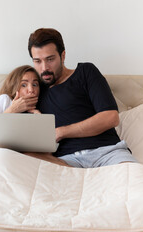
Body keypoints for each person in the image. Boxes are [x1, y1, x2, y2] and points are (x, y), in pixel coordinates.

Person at [28, 28, 137, 168]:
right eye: (37, 61)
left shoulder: (85, 72)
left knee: (137, 183)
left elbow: (110, 117)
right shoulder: (33, 90)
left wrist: (61, 132)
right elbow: (3, 135)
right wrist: (15, 108)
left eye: (50, 59)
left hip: (107, 153)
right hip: (66, 162)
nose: (44, 68)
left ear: (63, 56)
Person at [0, 65, 69, 166]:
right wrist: (13, 110)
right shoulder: (5, 100)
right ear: (15, 86)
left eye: (35, 84)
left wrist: (39, 119)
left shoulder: (40, 110)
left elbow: (46, 153)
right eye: (24, 85)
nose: (31, 90)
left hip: (11, 156)